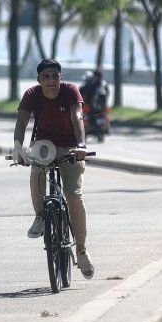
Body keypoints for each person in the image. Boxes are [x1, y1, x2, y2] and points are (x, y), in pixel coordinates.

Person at [12, 58, 94, 279]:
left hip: (71, 148)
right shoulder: (32, 94)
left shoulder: (70, 91)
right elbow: (21, 123)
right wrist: (18, 149)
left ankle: (82, 250)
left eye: (55, 76)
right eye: (45, 77)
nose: (51, 81)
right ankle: (40, 216)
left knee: (73, 194)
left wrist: (81, 146)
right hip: (44, 146)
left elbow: (77, 116)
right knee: (37, 168)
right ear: (38, 79)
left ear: (61, 77)